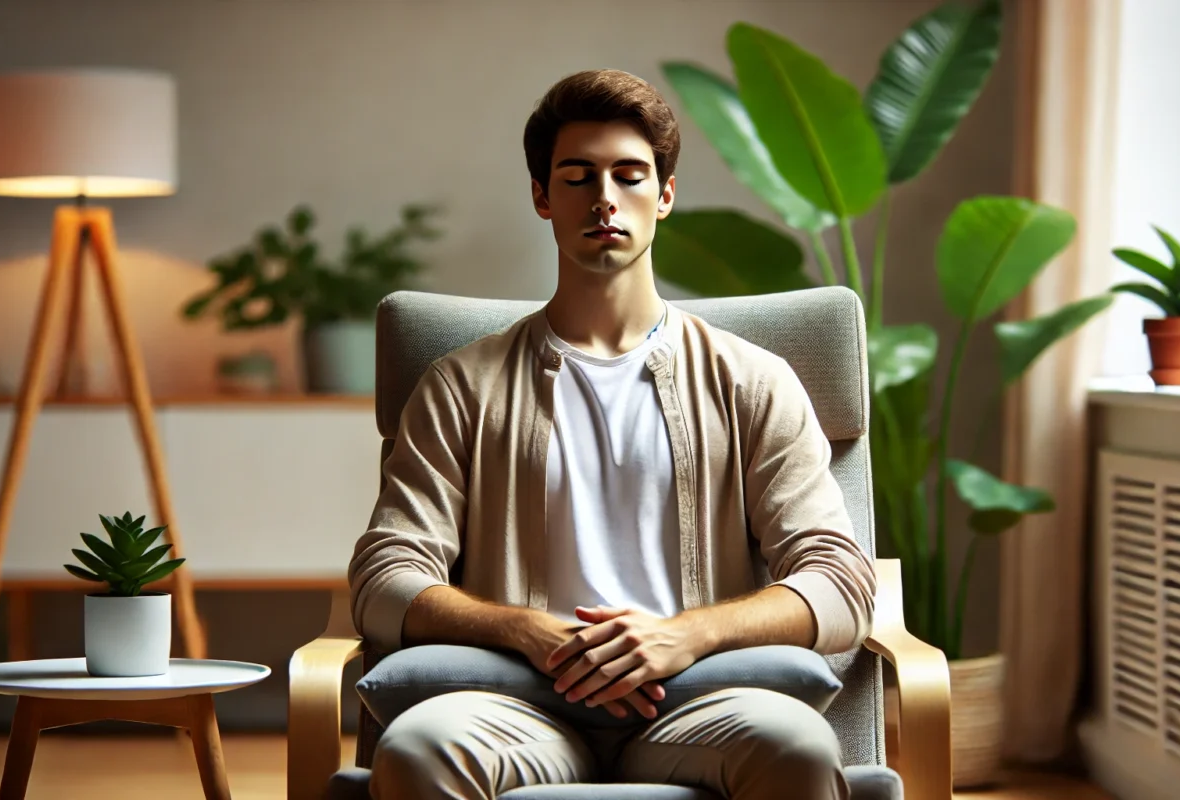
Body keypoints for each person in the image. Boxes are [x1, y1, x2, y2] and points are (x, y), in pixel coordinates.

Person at [349, 67, 877, 800]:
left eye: (630, 176)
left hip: (698, 703)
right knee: (416, 750)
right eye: (577, 177)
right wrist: (528, 631)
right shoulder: (462, 386)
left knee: (795, 747)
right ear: (541, 196)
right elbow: (384, 580)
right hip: (516, 705)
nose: (604, 199)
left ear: (664, 196)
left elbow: (841, 584)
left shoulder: (752, 381)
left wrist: (685, 636)